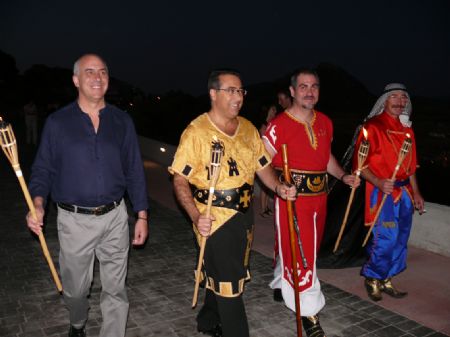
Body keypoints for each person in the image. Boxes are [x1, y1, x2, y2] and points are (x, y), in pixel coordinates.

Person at [26, 54, 149, 337]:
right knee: (76, 289)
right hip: (73, 220)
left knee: (116, 290)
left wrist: (141, 214)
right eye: (90, 72)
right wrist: (38, 203)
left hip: (115, 217)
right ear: (76, 80)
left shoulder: (121, 121)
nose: (97, 77)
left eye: (103, 72)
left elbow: (133, 170)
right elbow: (43, 168)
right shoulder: (58, 122)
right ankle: (78, 321)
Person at [169, 69, 295, 337]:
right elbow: (180, 180)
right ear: (213, 94)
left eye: (241, 91)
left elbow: (263, 168)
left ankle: (207, 320)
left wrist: (279, 188)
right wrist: (194, 216)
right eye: (231, 91)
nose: (238, 97)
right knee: (230, 284)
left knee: (230, 272)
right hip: (213, 219)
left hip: (244, 215)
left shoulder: (249, 129)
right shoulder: (197, 132)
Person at [263, 68, 358, 337]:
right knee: (303, 257)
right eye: (303, 86)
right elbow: (261, 162)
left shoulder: (325, 122)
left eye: (314, 86)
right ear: (292, 91)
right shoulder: (278, 125)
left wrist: (342, 175)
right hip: (293, 200)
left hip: (320, 198)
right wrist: (278, 187)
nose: (309, 91)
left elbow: (326, 157)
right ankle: (309, 312)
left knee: (307, 250)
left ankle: (283, 283)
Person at [354, 83, 425, 302]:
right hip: (381, 192)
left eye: (403, 97)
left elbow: (411, 168)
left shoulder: (408, 130)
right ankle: (372, 278)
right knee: (386, 237)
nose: (399, 101)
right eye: (393, 96)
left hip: (404, 193)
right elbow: (359, 165)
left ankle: (386, 277)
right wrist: (378, 181)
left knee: (401, 238)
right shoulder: (372, 127)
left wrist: (417, 193)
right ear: (384, 100)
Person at [258, 104, 278, 217]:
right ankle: (262, 209)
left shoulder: (272, 123)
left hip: (271, 158)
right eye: (273, 109)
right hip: (265, 159)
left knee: (267, 186)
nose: (275, 111)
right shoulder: (264, 126)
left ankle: (265, 207)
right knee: (264, 185)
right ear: (268, 111)